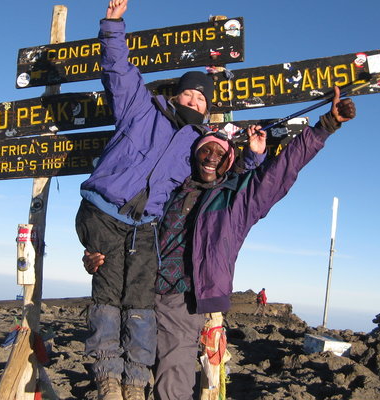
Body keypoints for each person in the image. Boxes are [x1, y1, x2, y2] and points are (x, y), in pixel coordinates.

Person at [85, 85, 357, 400]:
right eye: (206, 150)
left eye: (219, 154)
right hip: (137, 290)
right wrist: (96, 254)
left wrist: (326, 126)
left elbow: (283, 170)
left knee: (172, 379)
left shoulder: (237, 203)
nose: (211, 157)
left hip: (181, 299)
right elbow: (128, 229)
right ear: (194, 154)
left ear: (228, 162)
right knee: (126, 377)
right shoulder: (168, 191)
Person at [75, 1, 264, 399]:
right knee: (108, 299)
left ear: (208, 109)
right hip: (104, 212)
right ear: (176, 94)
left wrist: (254, 156)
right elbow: (118, 71)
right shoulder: (141, 110)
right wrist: (112, 25)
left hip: (144, 227)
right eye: (190, 93)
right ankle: (109, 378)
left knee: (141, 303)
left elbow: (224, 178)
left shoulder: (201, 146)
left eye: (202, 99)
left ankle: (135, 381)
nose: (195, 101)